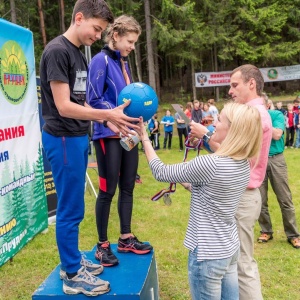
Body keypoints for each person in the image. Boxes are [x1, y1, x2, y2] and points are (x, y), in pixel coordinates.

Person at [40, 1, 141, 297]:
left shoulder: (77, 54)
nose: (98, 35)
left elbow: (81, 102)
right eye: (96, 28)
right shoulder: (58, 51)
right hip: (61, 137)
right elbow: (63, 106)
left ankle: (72, 262)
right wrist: (106, 115)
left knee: (76, 207)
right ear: (79, 18)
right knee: (70, 210)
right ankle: (72, 274)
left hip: (76, 137)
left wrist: (113, 120)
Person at [139, 102, 263, 300]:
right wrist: (190, 180)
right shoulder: (244, 163)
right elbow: (210, 189)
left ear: (232, 130)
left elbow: (161, 171)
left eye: (220, 120)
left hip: (207, 255)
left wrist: (145, 138)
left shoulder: (210, 164)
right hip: (229, 249)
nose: (214, 123)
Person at [189, 64, 272, 300]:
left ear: (251, 84)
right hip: (240, 194)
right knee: (233, 263)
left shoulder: (254, 115)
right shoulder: (251, 112)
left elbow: (233, 156)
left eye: (235, 85)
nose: (230, 91)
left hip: (243, 195)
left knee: (243, 264)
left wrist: (205, 136)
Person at [86, 15, 153, 268]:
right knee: (107, 190)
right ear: (115, 35)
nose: (132, 47)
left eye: (135, 43)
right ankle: (102, 246)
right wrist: (113, 118)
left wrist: (142, 117)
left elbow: (130, 99)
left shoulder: (124, 63)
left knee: (128, 187)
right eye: (130, 41)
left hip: (129, 135)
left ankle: (125, 238)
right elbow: (93, 99)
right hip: (108, 135)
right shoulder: (100, 60)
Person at [257, 98, 300, 248]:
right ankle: (266, 231)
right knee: (260, 200)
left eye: (260, 105)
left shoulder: (276, 115)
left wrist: (259, 123)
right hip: (257, 161)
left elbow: (276, 134)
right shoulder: (251, 118)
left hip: (276, 159)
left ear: (267, 105)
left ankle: (293, 234)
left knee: (284, 199)